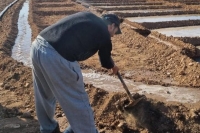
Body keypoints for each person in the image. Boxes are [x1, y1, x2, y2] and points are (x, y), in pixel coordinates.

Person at [30, 11, 122, 133]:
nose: (113, 36)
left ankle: (48, 129)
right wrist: (113, 66)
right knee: (78, 100)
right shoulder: (104, 33)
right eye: (115, 32)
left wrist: (110, 61)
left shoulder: (88, 16)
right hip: (57, 56)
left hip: (38, 45)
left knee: (44, 94)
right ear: (112, 25)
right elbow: (105, 61)